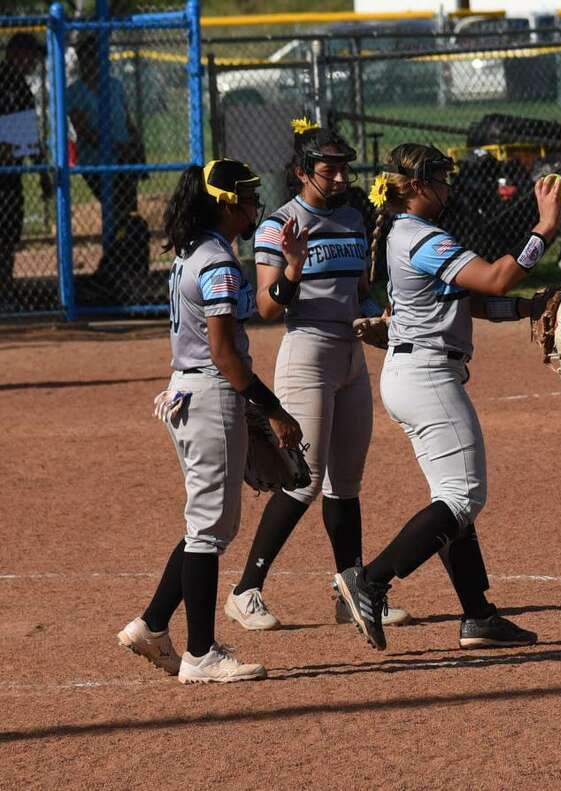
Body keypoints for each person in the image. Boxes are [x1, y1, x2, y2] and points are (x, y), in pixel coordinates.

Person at [333, 143, 561, 651]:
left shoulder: (409, 233)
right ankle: (368, 580)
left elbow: (473, 299)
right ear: (414, 186)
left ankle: (478, 616)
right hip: (426, 376)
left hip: (416, 372)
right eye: (440, 178)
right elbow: (496, 275)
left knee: (452, 498)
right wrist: (544, 228)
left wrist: (527, 308)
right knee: (463, 498)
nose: (448, 186)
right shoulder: (421, 236)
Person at [116, 158, 302, 684]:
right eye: (245, 196)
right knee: (209, 528)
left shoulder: (199, 251)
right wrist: (273, 408)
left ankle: (153, 625)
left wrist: (289, 269)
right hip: (211, 392)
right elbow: (225, 354)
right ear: (224, 203)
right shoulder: (217, 262)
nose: (252, 205)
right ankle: (200, 654)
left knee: (209, 523)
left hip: (190, 391)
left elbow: (259, 312)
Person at [224, 120, 410, 631]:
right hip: (306, 353)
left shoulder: (354, 217)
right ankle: (245, 591)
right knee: (302, 480)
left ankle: (351, 593)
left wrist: (377, 315)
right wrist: (291, 269)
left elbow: (362, 290)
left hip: (350, 354)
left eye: (345, 166)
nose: (341, 175)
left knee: (346, 484)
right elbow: (264, 306)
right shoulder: (279, 225)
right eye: (330, 167)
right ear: (304, 171)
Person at [66, 33, 145, 290]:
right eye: (91, 57)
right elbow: (83, 129)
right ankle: (112, 269)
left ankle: (119, 267)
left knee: (125, 214)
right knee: (115, 211)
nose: (97, 63)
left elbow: (128, 120)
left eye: (100, 57)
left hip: (124, 160)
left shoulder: (115, 85)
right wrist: (114, 147)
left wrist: (133, 144)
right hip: (97, 163)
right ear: (82, 60)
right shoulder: (75, 92)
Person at [0, 33, 51, 308]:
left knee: (8, 236)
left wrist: (42, 170)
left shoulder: (21, 88)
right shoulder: (5, 81)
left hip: (10, 174)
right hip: (5, 168)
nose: (34, 63)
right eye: (31, 56)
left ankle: (5, 292)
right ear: (17, 53)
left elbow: (28, 134)